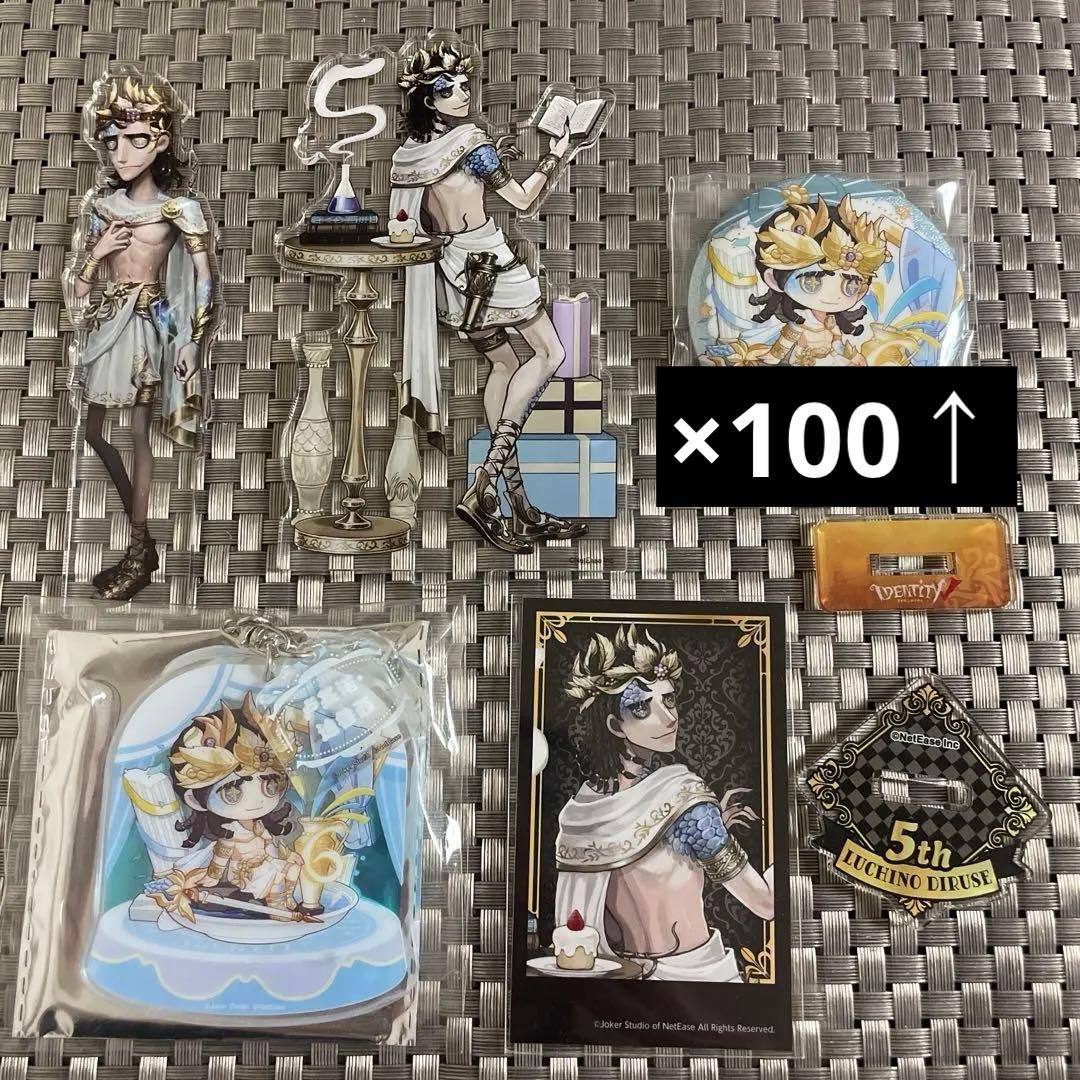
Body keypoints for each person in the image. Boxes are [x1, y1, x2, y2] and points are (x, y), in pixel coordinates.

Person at [390, 42, 586, 553]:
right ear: (428, 100)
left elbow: (420, 214)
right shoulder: (472, 143)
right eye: (449, 89)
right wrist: (558, 152)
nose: (463, 94)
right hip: (491, 262)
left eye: (463, 85)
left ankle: (519, 508)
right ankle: (484, 484)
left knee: (504, 365)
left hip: (450, 273)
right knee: (551, 352)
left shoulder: (408, 155)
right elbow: (523, 200)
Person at [553, 625, 775, 981]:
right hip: (695, 978)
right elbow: (766, 904)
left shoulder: (581, 810)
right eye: (643, 707)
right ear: (615, 725)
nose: (670, 717)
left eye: (669, 700)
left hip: (620, 982)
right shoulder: (685, 801)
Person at [67, 73, 214, 599]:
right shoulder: (102, 207)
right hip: (107, 321)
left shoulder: (180, 209)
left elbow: (203, 279)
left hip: (154, 324)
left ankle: (137, 547)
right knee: (92, 432)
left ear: (162, 140)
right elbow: (78, 288)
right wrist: (98, 252)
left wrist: (192, 339)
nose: (122, 152)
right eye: (112, 141)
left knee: (138, 434)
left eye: (136, 139)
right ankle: (143, 536)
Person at [162, 694, 303, 915]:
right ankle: (277, 907)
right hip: (245, 873)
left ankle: (286, 899)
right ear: (194, 799)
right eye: (232, 792)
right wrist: (211, 878)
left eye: (270, 786)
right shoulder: (231, 831)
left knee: (293, 867)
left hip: (265, 864)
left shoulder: (258, 826)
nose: (256, 801)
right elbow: (220, 859)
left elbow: (271, 846)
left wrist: (286, 856)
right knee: (275, 874)